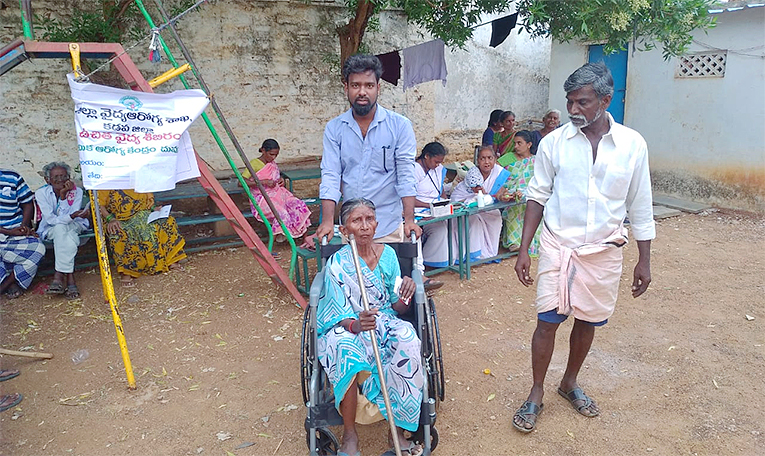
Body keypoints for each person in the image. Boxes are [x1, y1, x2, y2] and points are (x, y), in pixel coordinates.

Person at [511, 62, 655, 433]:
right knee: (547, 321)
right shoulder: (554, 144)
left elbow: (640, 204)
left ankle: (569, 382)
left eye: (583, 102)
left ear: (605, 100)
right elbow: (537, 196)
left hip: (604, 250)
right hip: (559, 245)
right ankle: (537, 391)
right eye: (570, 101)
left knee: (588, 320)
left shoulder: (632, 145)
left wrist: (644, 260)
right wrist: (524, 249)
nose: (574, 109)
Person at [316, 198, 424, 456]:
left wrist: (405, 295)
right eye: (356, 220)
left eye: (369, 219)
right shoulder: (338, 264)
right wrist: (355, 324)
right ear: (345, 230)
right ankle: (350, 434)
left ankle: (396, 429)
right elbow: (333, 311)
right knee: (344, 348)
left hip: (383, 320)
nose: (364, 226)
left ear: (376, 224)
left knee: (408, 338)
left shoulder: (388, 256)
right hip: (349, 324)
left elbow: (398, 307)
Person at [313, 54, 421, 248]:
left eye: (369, 85)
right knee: (354, 278)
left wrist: (410, 219)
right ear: (346, 88)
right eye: (355, 85)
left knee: (395, 277)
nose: (362, 92)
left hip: (388, 226)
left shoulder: (399, 126)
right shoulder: (334, 128)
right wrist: (328, 221)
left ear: (378, 88)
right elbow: (330, 174)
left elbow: (406, 174)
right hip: (351, 228)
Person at [97, 189, 186, 287]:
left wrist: (153, 208)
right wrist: (110, 219)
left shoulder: (138, 175)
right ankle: (127, 272)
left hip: (143, 214)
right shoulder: (106, 180)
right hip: (118, 219)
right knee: (118, 232)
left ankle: (171, 261)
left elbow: (146, 200)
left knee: (167, 222)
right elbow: (99, 205)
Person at [35, 162, 90, 299]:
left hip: (76, 226)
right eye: (56, 177)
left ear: (69, 177)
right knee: (62, 230)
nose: (60, 180)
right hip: (50, 229)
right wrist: (70, 214)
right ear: (47, 179)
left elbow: (72, 218)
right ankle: (70, 278)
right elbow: (51, 220)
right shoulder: (41, 193)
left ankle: (59, 276)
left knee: (62, 229)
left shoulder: (76, 191)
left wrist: (64, 196)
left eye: (64, 176)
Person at [240, 139, 311, 242]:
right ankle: (271, 247)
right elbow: (241, 182)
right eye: (271, 154)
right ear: (263, 150)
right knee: (280, 213)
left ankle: (306, 240)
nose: (273, 158)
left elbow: (275, 177)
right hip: (262, 197)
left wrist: (280, 180)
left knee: (299, 205)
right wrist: (263, 182)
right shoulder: (254, 163)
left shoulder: (272, 163)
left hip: (278, 194)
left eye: (275, 155)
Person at [450, 145, 510, 261]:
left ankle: (488, 253)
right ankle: (472, 255)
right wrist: (495, 196)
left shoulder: (498, 172)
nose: (486, 162)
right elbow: (479, 194)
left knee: (496, 216)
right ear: (478, 160)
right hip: (464, 203)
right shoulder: (474, 173)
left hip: (483, 205)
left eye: (490, 158)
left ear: (495, 159)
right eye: (483, 159)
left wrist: (503, 196)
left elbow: (499, 191)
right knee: (473, 221)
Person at [0, 168, 46, 299]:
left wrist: (24, 226)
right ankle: (8, 283)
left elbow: (27, 204)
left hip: (15, 233)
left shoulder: (12, 177)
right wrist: (8, 231)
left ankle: (6, 283)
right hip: (8, 232)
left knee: (38, 249)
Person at [497, 131, 542, 255]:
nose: (516, 146)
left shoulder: (536, 160)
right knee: (513, 208)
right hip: (511, 194)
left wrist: (527, 192)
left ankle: (532, 243)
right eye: (514, 143)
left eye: (519, 143)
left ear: (529, 144)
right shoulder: (507, 158)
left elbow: (540, 180)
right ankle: (514, 243)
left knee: (533, 207)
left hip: (530, 194)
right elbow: (495, 174)